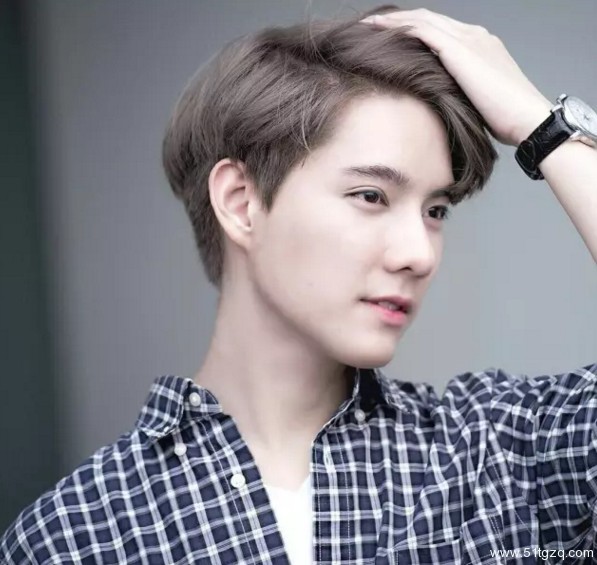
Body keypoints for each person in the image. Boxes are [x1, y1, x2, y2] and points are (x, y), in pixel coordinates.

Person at [2, 5, 597, 564]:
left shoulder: (499, 455)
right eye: (371, 196)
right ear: (241, 202)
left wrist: (541, 125)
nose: (420, 254)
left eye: (435, 210)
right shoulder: (75, 538)